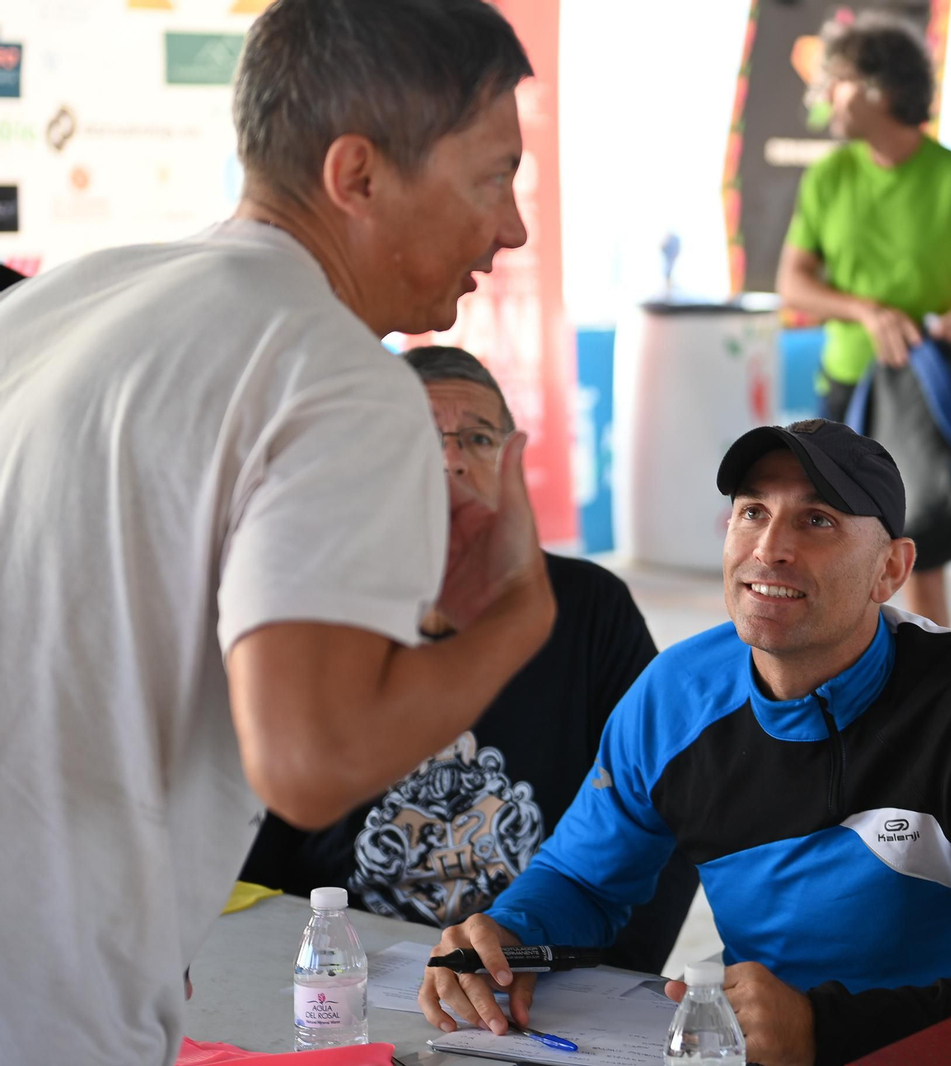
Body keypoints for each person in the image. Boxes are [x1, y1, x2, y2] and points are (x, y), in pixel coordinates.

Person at [0, 3, 556, 1064]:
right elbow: (312, 758)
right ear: (357, 176)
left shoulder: (61, 303)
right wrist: (519, 618)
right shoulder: (332, 374)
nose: (512, 227)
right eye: (492, 178)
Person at [418, 419, 951, 1066]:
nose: (770, 548)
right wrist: (510, 932)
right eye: (753, 512)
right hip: (750, 1046)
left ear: (892, 569)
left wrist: (823, 1029)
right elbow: (582, 880)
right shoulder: (673, 696)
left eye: (816, 520)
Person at [241, 346, 699, 975]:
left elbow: (662, 815)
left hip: (539, 968)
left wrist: (599, 975)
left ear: (513, 466)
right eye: (425, 439)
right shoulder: (311, 611)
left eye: (479, 438)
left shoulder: (588, 607)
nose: (453, 459)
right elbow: (249, 841)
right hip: (342, 967)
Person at [776, 13, 951, 627]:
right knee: (829, 545)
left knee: (918, 547)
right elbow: (794, 281)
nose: (821, 100)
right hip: (843, 387)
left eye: (833, 83)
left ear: (874, 89)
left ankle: (934, 686)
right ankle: (840, 671)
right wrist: (865, 310)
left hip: (923, 390)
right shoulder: (829, 176)